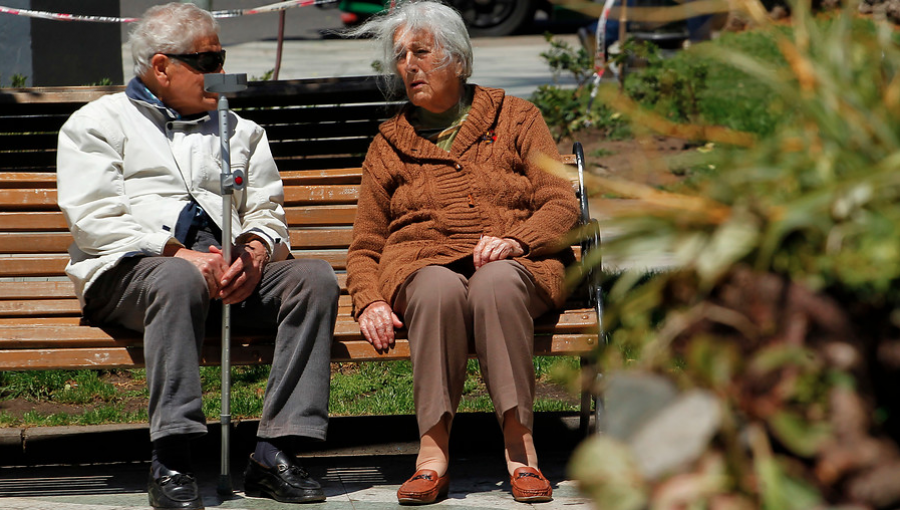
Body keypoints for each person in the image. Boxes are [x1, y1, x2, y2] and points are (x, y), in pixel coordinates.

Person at [55, 3, 339, 509]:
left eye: (222, 58)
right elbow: (93, 219)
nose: (221, 72)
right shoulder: (97, 123)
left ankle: (276, 452)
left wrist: (253, 254)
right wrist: (179, 253)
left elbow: (269, 214)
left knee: (313, 278)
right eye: (208, 61)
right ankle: (172, 456)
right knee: (175, 279)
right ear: (161, 67)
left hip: (226, 276)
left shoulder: (241, 130)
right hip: (129, 274)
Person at [345, 1, 580, 504]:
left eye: (421, 52)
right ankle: (432, 454)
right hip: (421, 265)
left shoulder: (516, 117)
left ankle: (521, 450)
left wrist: (519, 240)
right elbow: (366, 243)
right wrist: (369, 298)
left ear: (458, 60)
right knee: (434, 288)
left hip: (519, 264)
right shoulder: (388, 143)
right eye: (400, 55)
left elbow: (561, 204)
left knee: (495, 283)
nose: (408, 64)